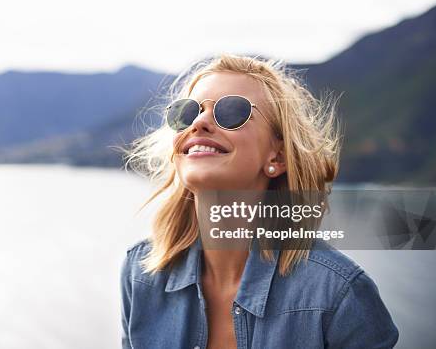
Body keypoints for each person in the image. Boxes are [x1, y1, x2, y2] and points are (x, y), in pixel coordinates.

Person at [120, 54, 399, 349]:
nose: (199, 122)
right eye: (187, 113)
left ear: (277, 157)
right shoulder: (140, 274)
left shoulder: (339, 295)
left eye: (230, 111)